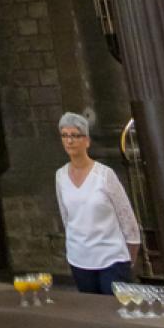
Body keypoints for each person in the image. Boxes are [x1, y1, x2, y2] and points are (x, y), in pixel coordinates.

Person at [54, 112, 141, 295]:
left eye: (75, 136)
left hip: (111, 257)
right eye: (65, 136)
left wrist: (130, 256)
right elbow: (66, 216)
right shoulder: (60, 176)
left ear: (86, 140)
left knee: (113, 309)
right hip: (80, 257)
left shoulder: (104, 175)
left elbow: (127, 218)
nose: (69, 141)